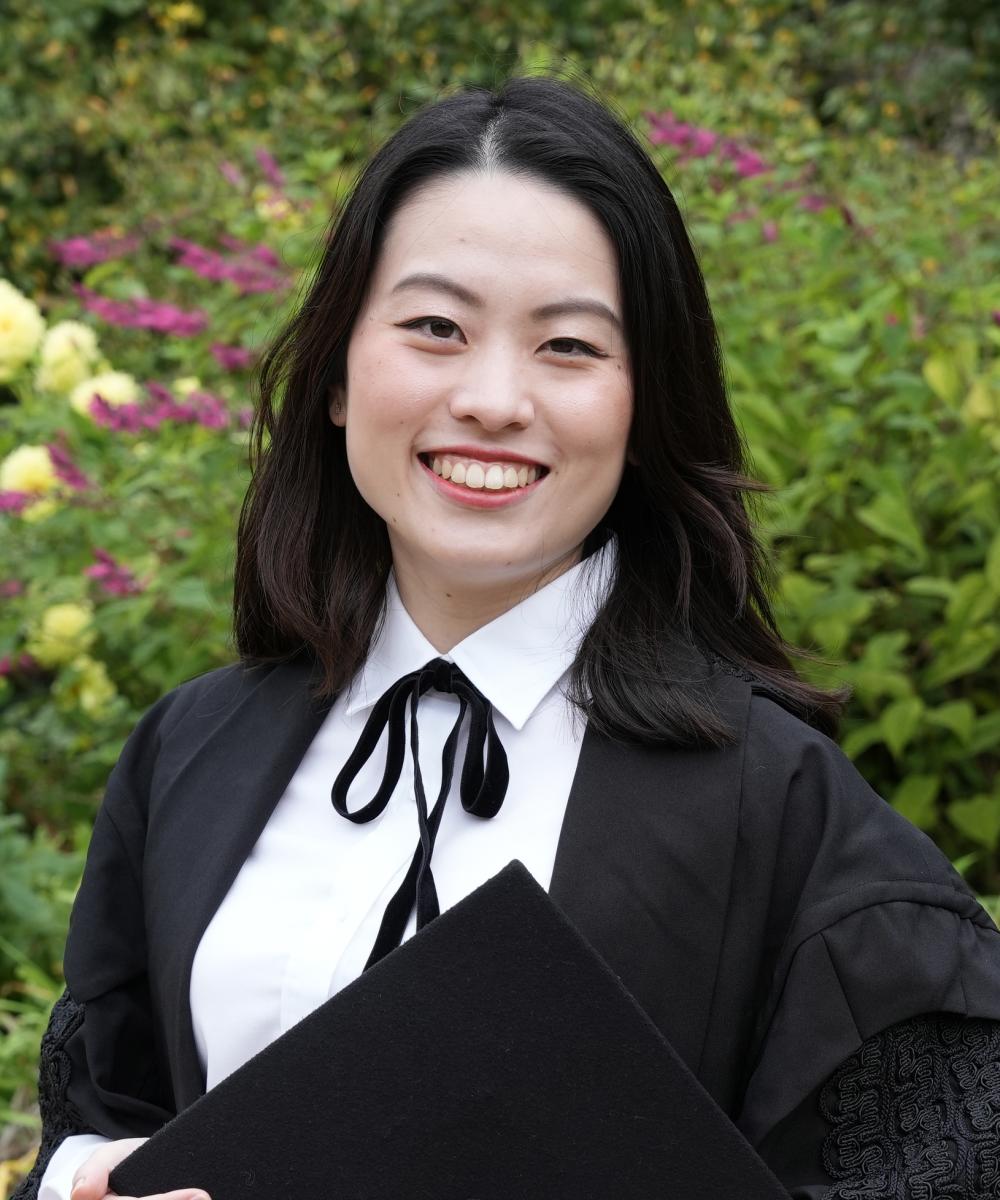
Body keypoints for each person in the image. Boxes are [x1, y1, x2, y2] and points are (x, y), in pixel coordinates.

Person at [16, 76, 1000, 1200]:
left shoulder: (774, 808)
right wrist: (88, 1181)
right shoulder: (195, 749)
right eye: (435, 328)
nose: (491, 398)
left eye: (569, 347)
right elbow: (100, 1116)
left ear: (645, 409)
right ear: (339, 372)